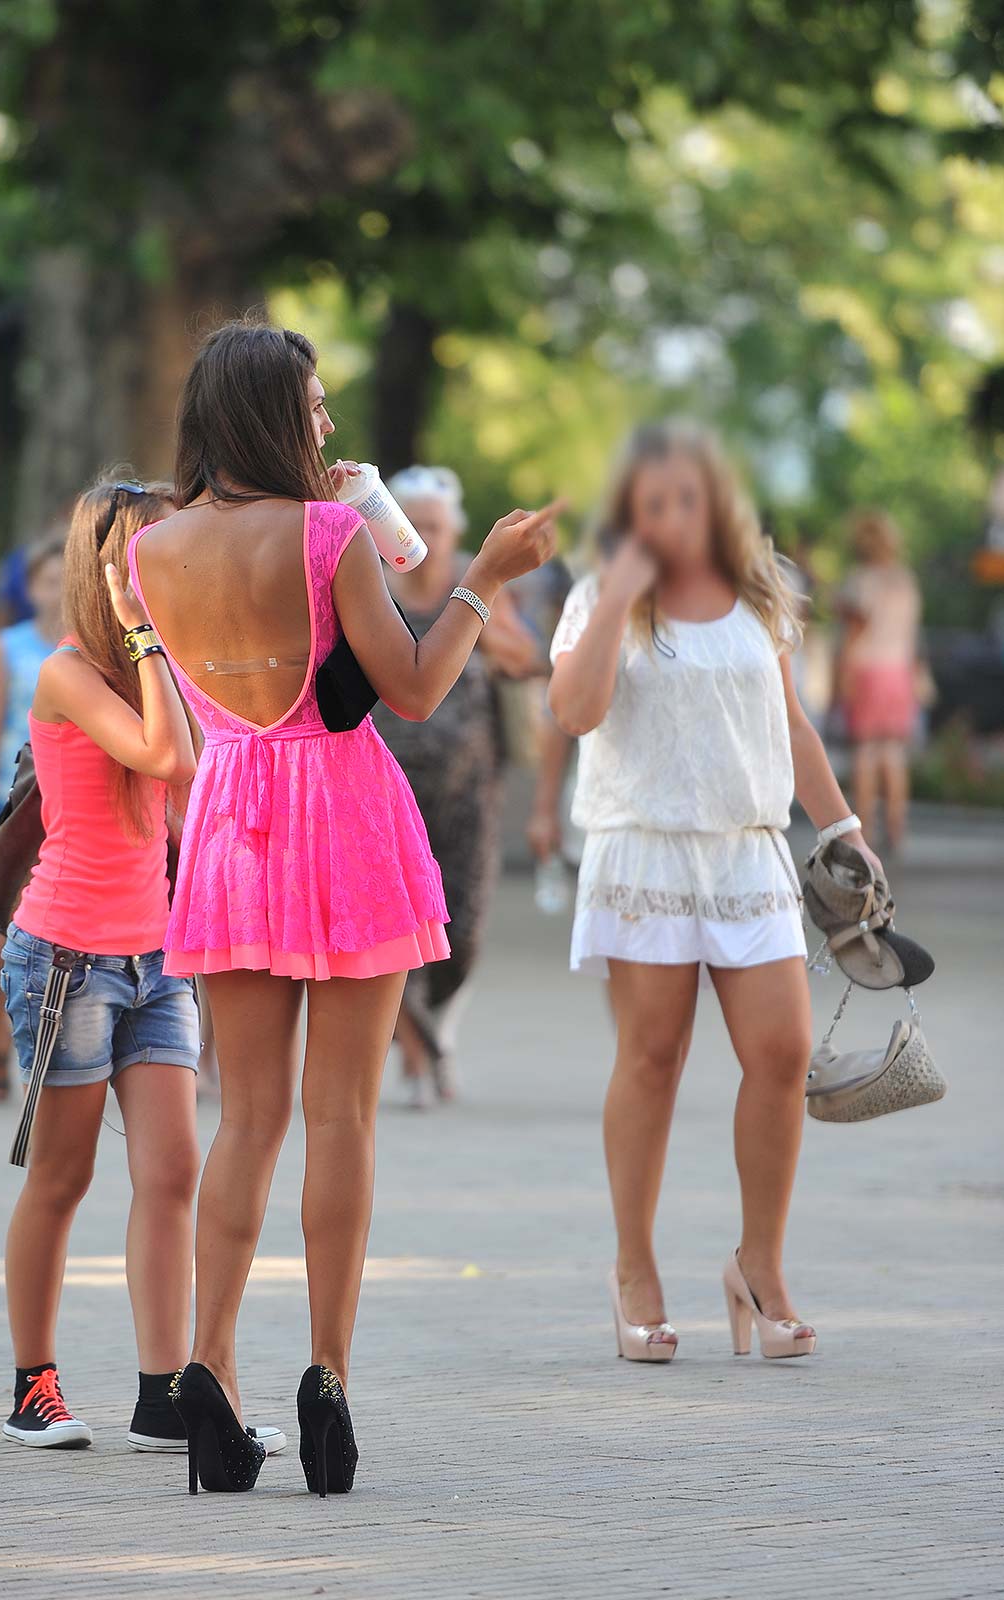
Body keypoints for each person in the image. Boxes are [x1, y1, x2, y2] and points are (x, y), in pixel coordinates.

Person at [128, 320, 558, 1495]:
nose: (325, 424)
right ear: (272, 412)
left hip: (233, 820)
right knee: (343, 1120)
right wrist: (483, 579)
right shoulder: (330, 534)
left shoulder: (152, 550)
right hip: (344, 816)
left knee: (247, 1119)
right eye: (312, 406)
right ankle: (326, 1381)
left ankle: (208, 1369)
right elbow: (410, 686)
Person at [547, 419, 880, 1365]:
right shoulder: (598, 597)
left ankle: (757, 1267)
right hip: (644, 853)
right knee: (652, 1059)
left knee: (782, 1051)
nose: (671, 517)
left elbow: (792, 725)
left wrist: (846, 832)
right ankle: (634, 1273)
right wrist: (619, 594)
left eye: (686, 499)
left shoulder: (760, 592)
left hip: (748, 854)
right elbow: (573, 711)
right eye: (652, 503)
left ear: (715, 502)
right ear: (630, 511)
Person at [0, 476, 286, 1459]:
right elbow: (168, 757)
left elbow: (195, 791)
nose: (169, 567)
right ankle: (33, 1384)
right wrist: (143, 636)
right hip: (66, 959)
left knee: (171, 1172)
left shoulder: (159, 666)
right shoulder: (68, 674)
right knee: (63, 1176)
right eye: (149, 553)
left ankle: (164, 1394)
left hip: (158, 957)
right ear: (110, 569)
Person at [372, 465, 541, 1106]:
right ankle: (422, 1056)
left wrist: (482, 621)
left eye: (435, 527)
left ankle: (431, 1034)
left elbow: (527, 660)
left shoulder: (478, 579)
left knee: (461, 931)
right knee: (392, 928)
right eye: (411, 524)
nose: (423, 537)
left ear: (456, 531)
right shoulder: (367, 583)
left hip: (469, 789)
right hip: (381, 788)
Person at [0, 532, 65, 1101]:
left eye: (66, 578)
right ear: (30, 587)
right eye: (48, 580)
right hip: (10, 802)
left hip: (67, 806)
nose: (59, 590)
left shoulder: (90, 648)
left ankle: (49, 1053)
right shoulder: (8, 648)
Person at [835, 509, 922, 855]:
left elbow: (854, 632)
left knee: (866, 752)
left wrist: (840, 677)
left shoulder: (860, 580)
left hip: (867, 670)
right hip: (899, 671)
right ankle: (897, 827)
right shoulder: (905, 580)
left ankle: (865, 831)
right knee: (893, 753)